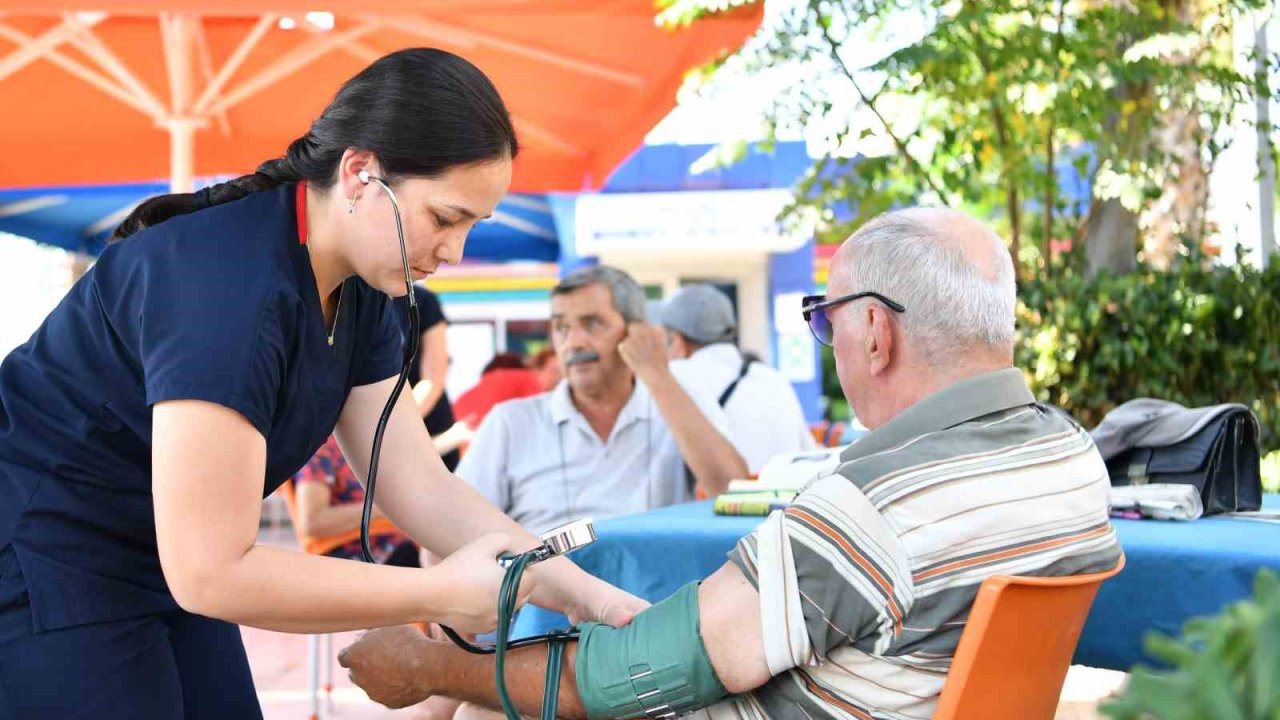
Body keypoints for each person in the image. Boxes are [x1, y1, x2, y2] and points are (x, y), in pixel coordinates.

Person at [0, 48, 643, 718]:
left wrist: (590, 597)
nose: (454, 253)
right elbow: (210, 570)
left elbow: (420, 486)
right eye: (446, 218)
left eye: (471, 226)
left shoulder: (364, 289)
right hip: (45, 557)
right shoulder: (228, 286)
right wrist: (439, 593)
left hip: (162, 563)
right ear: (361, 172)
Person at [339, 207, 1123, 719]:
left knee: (486, 700)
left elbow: (619, 679)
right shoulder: (1072, 456)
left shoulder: (867, 509)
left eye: (826, 319)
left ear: (876, 332)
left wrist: (429, 668)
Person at [455, 265, 748, 536]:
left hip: (653, 590)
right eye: (562, 328)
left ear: (637, 332)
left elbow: (729, 489)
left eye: (592, 324)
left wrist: (657, 375)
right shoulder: (511, 422)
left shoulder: (677, 405)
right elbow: (450, 533)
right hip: (544, 590)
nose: (574, 342)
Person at [659, 284, 817, 474]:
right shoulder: (773, 378)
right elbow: (810, 451)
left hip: (720, 501)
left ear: (676, 340)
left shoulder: (673, 378)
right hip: (788, 498)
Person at [401, 283, 463, 470]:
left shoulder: (421, 300)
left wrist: (392, 424)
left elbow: (433, 378)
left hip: (426, 423)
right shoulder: (348, 298)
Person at [452, 349, 560, 429]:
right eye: (554, 371)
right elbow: (541, 419)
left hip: (458, 420)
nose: (559, 378)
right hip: (469, 425)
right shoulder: (530, 381)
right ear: (538, 369)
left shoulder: (507, 378)